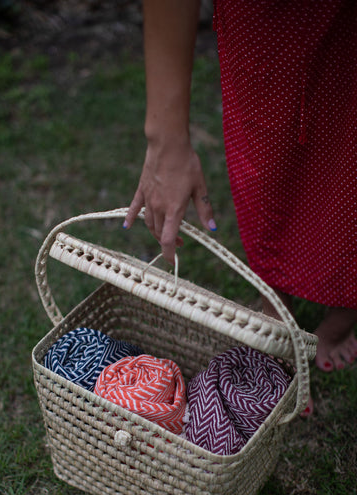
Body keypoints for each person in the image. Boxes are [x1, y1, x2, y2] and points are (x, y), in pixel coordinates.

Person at [124, 0, 357, 414]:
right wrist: (166, 140)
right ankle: (275, 303)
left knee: (348, 159)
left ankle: (343, 307)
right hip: (266, 22)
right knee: (266, 159)